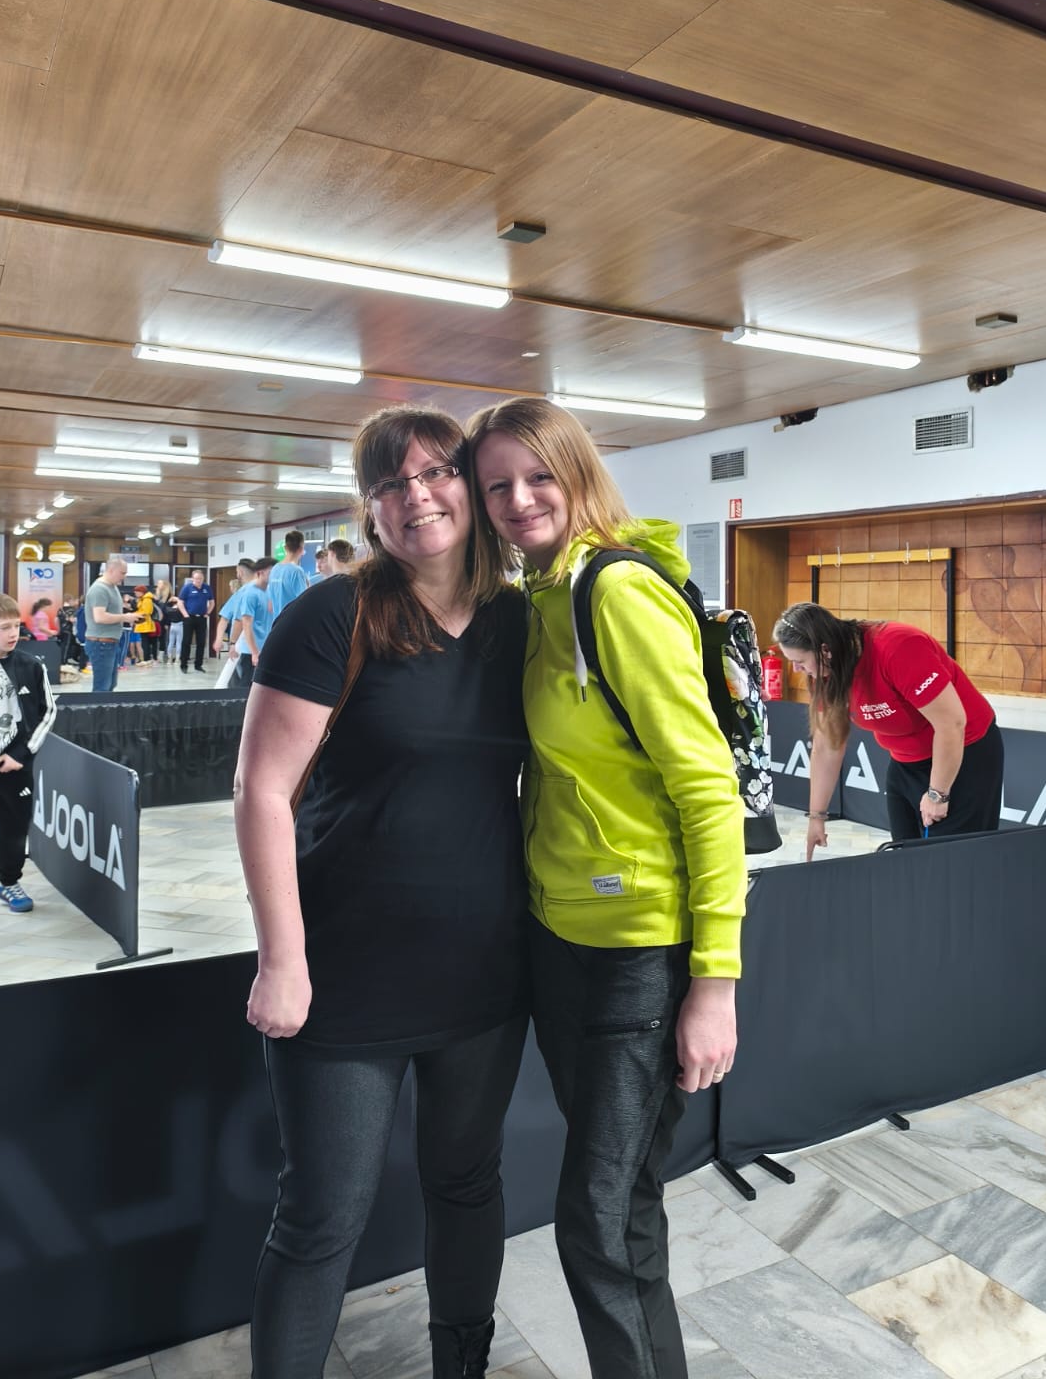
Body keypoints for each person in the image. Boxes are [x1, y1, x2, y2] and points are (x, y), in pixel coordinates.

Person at [233, 405, 528, 1379]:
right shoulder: (335, 614)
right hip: (346, 972)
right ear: (370, 508)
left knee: (467, 1182)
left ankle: (462, 1366)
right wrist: (282, 960)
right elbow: (261, 791)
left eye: (437, 472)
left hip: (484, 969)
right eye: (391, 484)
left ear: (469, 485)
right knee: (322, 1217)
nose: (418, 496)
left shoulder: (518, 620)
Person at [467, 397, 745, 1379]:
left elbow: (707, 790)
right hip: (561, 941)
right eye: (496, 485)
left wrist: (714, 981)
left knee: (600, 1216)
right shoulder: (534, 599)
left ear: (579, 472)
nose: (518, 499)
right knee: (617, 1208)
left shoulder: (614, 593)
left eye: (538, 475)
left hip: (641, 952)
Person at [771, 600, 1005, 855]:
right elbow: (827, 745)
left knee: (953, 860)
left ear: (825, 650)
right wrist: (817, 817)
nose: (796, 669)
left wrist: (938, 794)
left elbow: (951, 723)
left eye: (799, 661)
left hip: (964, 754)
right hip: (906, 763)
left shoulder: (898, 647)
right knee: (904, 857)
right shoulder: (825, 672)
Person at [0, 593, 56, 949]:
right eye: (4, 627)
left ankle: (8, 882)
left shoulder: (32, 665)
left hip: (15, 767)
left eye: (16, 626)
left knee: (15, 831)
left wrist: (21, 754)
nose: (13, 633)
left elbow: (48, 712)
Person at [83, 556, 129, 692]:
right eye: (122, 573)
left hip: (110, 643)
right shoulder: (99, 589)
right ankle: (97, 706)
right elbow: (100, 617)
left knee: (110, 685)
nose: (124, 577)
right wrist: (125, 617)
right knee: (102, 687)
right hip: (101, 644)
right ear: (111, 570)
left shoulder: (112, 588)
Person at [229, 559, 274, 692]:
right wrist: (254, 652)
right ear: (260, 572)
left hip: (267, 648)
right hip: (251, 651)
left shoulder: (271, 591)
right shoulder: (249, 592)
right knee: (246, 687)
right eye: (271, 572)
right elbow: (246, 623)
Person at [266, 528, 309, 621]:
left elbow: (270, 606)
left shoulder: (274, 569)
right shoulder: (297, 572)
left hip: (276, 625)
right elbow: (305, 603)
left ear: (285, 548)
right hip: (292, 624)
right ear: (301, 549)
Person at [176, 568, 214, 673]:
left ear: (203, 578)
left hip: (201, 618)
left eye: (200, 578)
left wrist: (207, 613)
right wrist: (185, 615)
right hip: (189, 617)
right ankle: (184, 665)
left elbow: (212, 602)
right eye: (196, 578)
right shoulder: (187, 588)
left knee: (201, 642)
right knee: (186, 641)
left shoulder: (207, 588)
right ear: (193, 579)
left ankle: (198, 665)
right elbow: (180, 602)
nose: (198, 580)